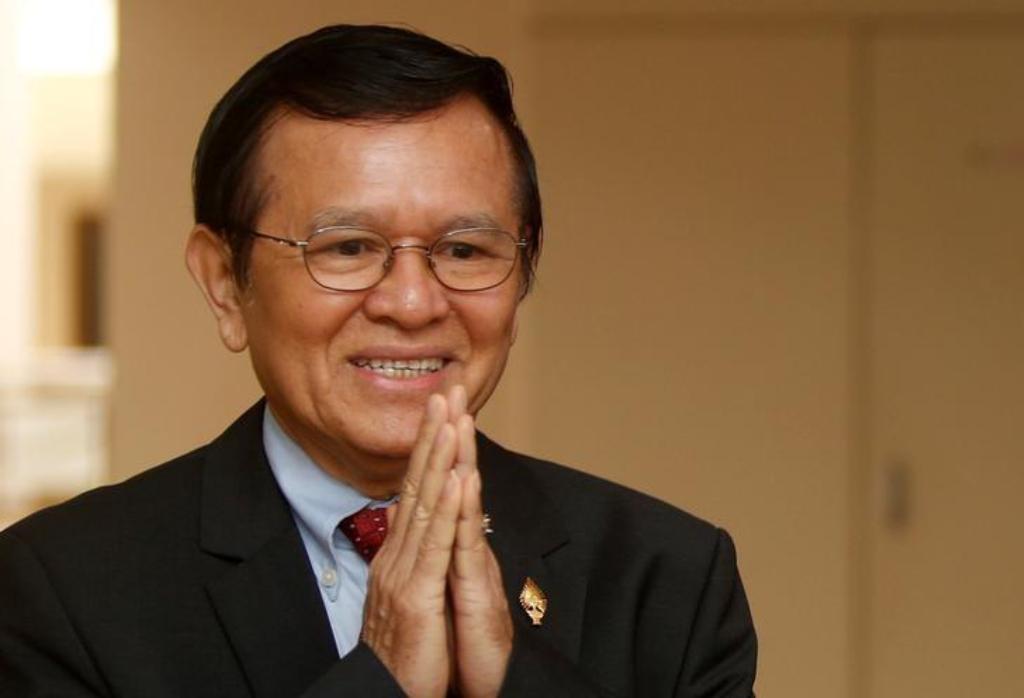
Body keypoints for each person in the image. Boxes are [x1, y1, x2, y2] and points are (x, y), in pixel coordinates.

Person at [0, 24, 757, 697]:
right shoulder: (65, 590)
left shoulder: (667, 578)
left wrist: (516, 678)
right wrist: (382, 677)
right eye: (348, 248)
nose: (413, 302)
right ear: (225, 283)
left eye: (464, 250)